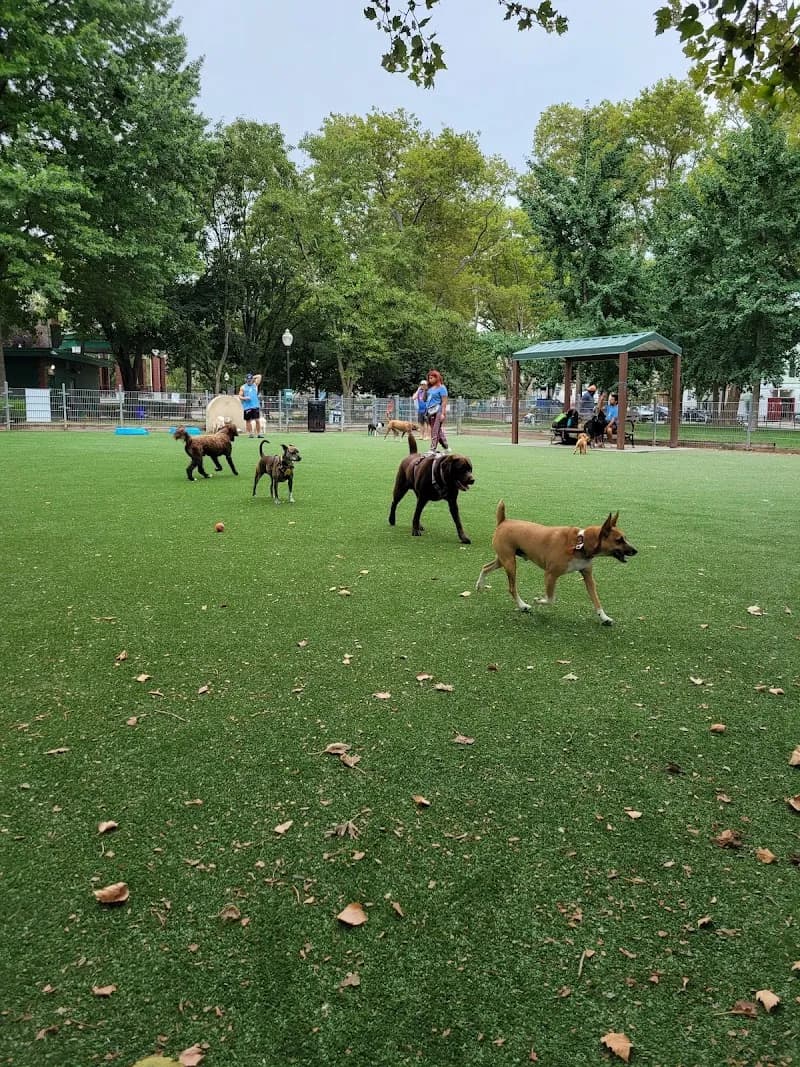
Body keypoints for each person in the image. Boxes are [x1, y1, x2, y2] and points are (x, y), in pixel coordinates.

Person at [425, 369, 449, 453]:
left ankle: (432, 448)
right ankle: (445, 446)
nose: (430, 380)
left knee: (435, 430)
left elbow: (444, 401)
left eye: (431, 378)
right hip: (430, 411)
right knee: (437, 430)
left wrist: (443, 413)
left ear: (437, 378)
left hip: (438, 411)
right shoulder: (430, 388)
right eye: (429, 378)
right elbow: (425, 399)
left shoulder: (442, 388)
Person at [239, 372, 263, 438]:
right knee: (248, 420)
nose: (249, 381)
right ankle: (250, 433)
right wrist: (245, 398)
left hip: (255, 405)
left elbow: (259, 376)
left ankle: (259, 434)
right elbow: (240, 396)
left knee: (257, 420)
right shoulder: (243, 387)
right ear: (246, 380)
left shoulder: (255, 385)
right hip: (247, 406)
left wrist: (253, 377)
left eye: (250, 380)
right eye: (248, 380)